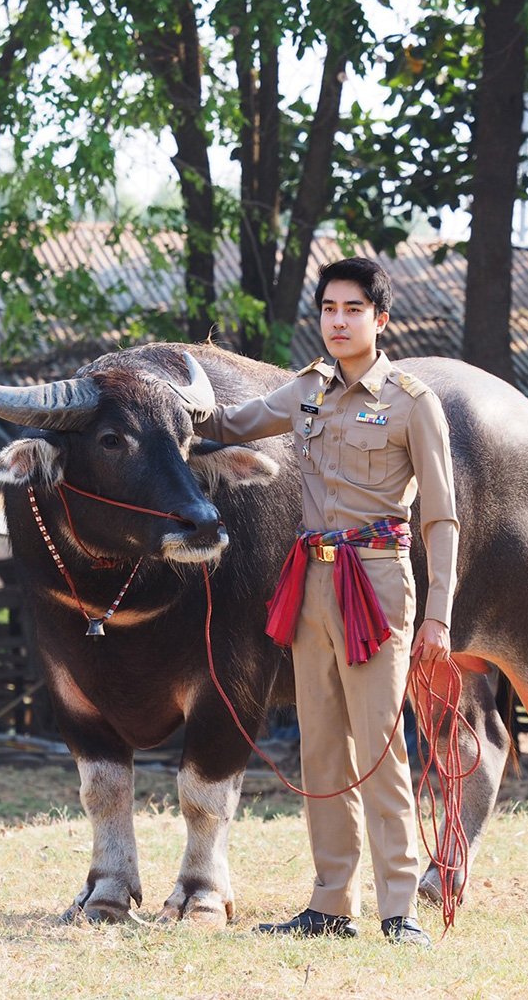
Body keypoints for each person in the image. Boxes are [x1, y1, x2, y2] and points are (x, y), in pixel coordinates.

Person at [192, 257, 458, 947]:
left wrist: (438, 613)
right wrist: (166, 405)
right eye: (329, 309)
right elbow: (231, 424)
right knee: (321, 750)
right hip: (312, 579)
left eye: (353, 309)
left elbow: (441, 518)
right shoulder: (306, 389)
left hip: (377, 580)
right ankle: (331, 903)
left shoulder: (412, 402)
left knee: (379, 748)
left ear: (380, 319)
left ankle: (399, 908)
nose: (338, 322)